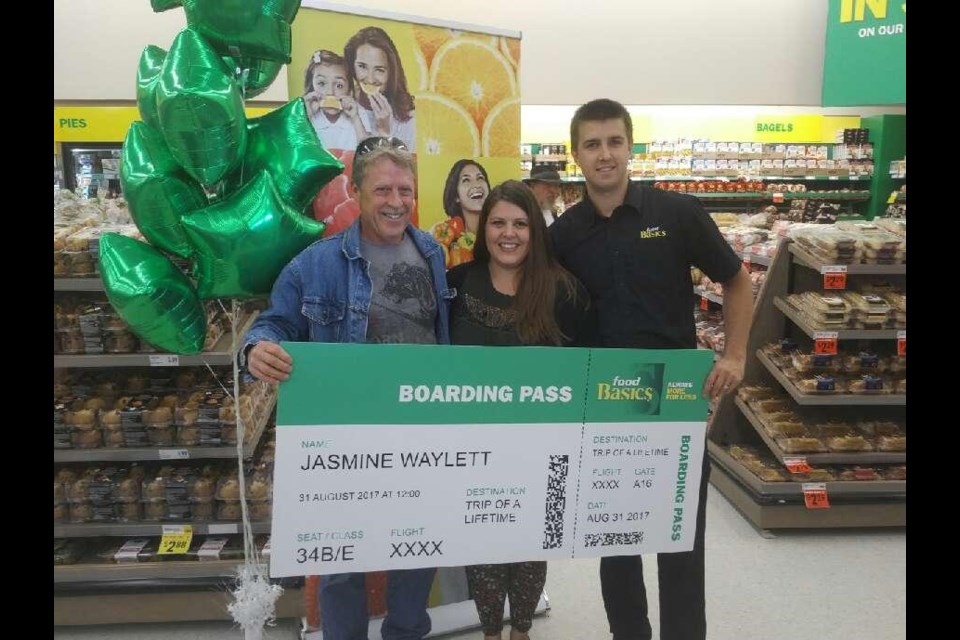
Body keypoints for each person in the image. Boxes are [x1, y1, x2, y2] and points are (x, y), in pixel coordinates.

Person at [549, 99, 753, 640]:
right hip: (604, 406)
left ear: (630, 147)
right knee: (614, 544)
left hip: (675, 404)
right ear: (576, 155)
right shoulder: (564, 235)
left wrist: (734, 355)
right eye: (592, 144)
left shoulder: (677, 214)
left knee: (680, 540)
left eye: (614, 142)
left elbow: (737, 280)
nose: (605, 154)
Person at [242, 136, 452, 640]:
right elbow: (272, 325)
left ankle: (405, 632)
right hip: (344, 439)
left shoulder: (432, 253)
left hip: (420, 435)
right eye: (382, 189)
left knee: (418, 545)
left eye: (404, 189)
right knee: (341, 562)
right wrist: (256, 348)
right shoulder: (317, 264)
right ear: (356, 192)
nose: (396, 201)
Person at [447, 180, 596, 640]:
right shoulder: (454, 285)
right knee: (483, 542)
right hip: (472, 447)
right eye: (497, 223)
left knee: (532, 544)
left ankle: (522, 630)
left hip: (542, 449)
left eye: (519, 223)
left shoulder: (564, 292)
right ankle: (492, 631)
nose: (508, 234)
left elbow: (585, 371)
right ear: (483, 229)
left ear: (535, 231)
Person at [344, 26, 417, 152]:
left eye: (379, 70)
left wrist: (384, 131)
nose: (370, 79)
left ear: (391, 73)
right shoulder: (344, 103)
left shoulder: (406, 116)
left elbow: (404, 169)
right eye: (362, 66)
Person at [302, 49, 367, 151]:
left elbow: (367, 153)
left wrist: (355, 119)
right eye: (322, 84)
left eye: (339, 85)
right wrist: (305, 117)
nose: (330, 92)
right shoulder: (304, 114)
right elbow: (295, 151)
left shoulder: (359, 113)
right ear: (311, 88)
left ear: (349, 90)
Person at [443, 159, 491, 235]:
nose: (476, 185)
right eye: (466, 180)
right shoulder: (443, 234)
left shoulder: (501, 229)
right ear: (456, 196)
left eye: (480, 178)